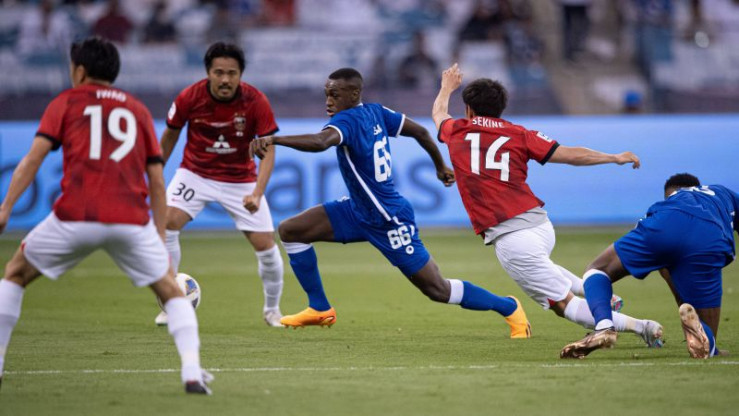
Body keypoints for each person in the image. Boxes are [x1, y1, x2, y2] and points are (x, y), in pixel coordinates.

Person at [249, 67, 532, 339]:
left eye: (334, 95)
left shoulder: (346, 122)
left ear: (354, 94)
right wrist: (439, 166)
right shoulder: (377, 112)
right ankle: (319, 308)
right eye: (326, 94)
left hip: (388, 219)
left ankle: (508, 307)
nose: (328, 101)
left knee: (437, 289)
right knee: (291, 230)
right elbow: (421, 132)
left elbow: (322, 142)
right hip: (358, 210)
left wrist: (275, 139)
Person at [0, 37, 211, 394]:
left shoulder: (65, 102)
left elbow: (33, 159)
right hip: (130, 220)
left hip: (75, 216)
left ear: (80, 70)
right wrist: (159, 236)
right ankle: (192, 372)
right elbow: (156, 181)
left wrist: (6, 207)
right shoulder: (137, 109)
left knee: (15, 273)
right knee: (170, 289)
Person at [431, 63, 664, 348]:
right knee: (543, 265)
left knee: (563, 305)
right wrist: (613, 157)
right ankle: (599, 294)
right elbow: (569, 155)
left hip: (511, 236)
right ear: (501, 109)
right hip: (539, 224)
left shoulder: (457, 130)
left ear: (468, 110)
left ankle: (642, 327)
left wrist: (446, 88)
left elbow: (438, 114)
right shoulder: (520, 133)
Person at [154, 42, 284, 328]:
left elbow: (269, 150)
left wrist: (257, 193)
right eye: (219, 73)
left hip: (240, 180)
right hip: (195, 173)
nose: (225, 79)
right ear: (208, 73)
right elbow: (170, 136)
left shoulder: (255, 101)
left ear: (241, 75)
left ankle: (272, 311)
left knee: (266, 245)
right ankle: (171, 303)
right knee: (167, 223)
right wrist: (155, 175)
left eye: (232, 73)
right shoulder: (189, 97)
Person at [561, 173, 739, 359]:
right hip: (710, 239)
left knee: (599, 269)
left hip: (663, 226)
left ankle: (604, 326)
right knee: (704, 321)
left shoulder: (668, 204)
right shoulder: (720, 193)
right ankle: (709, 344)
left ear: (671, 193)